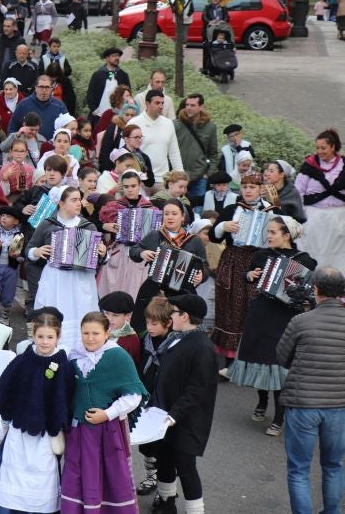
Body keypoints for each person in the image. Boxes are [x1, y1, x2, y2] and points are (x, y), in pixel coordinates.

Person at [0, 312, 73, 514]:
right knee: (14, 478)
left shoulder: (64, 366)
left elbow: (64, 400)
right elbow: (7, 391)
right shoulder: (22, 361)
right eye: (41, 336)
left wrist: (60, 425)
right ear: (33, 336)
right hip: (19, 433)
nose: (45, 341)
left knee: (42, 482)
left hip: (46, 437)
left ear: (58, 337)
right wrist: (6, 421)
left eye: (50, 337)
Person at [59, 312, 147, 514]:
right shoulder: (73, 357)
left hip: (107, 433)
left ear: (107, 333)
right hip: (78, 429)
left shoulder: (117, 357)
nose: (90, 338)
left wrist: (107, 414)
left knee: (103, 478)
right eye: (85, 333)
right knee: (74, 474)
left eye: (95, 333)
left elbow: (134, 395)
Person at [229, 217, 316, 436]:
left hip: (284, 315)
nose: (268, 235)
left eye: (273, 232)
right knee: (260, 360)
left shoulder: (305, 260)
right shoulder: (261, 255)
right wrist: (250, 274)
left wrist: (302, 294)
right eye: (268, 231)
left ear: (287, 235)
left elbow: (306, 289)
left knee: (278, 364)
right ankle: (261, 401)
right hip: (261, 312)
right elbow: (247, 276)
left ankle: (279, 417)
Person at [140, 294, 218, 514]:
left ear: (184, 316)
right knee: (165, 459)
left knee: (186, 468)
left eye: (173, 312)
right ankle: (166, 505)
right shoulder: (179, 340)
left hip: (186, 420)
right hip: (166, 417)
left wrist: (174, 414)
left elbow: (198, 389)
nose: (170, 316)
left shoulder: (202, 346)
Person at [276, 267, 345, 514]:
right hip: (339, 404)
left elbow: (282, 356)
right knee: (333, 465)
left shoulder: (301, 320)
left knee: (299, 468)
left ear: (314, 288)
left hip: (303, 402)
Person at [209, 171, 280, 362]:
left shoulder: (272, 211)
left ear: (261, 189)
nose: (248, 191)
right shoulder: (232, 209)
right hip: (233, 260)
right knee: (230, 308)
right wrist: (223, 227)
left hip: (261, 261)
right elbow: (213, 237)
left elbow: (283, 238)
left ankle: (255, 358)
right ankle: (230, 360)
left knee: (256, 307)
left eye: (253, 187)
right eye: (245, 186)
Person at [26, 186, 107, 353]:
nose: (79, 203)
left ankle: (83, 352)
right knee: (54, 310)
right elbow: (29, 248)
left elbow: (99, 258)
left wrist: (103, 253)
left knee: (82, 312)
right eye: (74, 200)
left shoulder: (88, 226)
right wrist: (37, 252)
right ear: (61, 203)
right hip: (56, 279)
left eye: (79, 199)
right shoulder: (48, 224)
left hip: (81, 279)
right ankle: (50, 349)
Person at [129, 199, 206, 332]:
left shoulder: (194, 241)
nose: (170, 217)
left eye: (174, 213)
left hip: (182, 294)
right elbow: (134, 251)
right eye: (166, 214)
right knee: (146, 327)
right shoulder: (155, 235)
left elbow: (204, 266)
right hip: (154, 289)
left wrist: (201, 275)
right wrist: (142, 253)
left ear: (182, 217)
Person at [135, 296, 174, 496]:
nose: (149, 327)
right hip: (146, 396)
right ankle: (151, 476)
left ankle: (165, 486)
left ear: (168, 323)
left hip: (164, 401)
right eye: (148, 322)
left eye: (155, 323)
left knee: (164, 445)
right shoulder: (145, 339)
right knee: (147, 443)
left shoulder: (174, 344)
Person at [97, 170, 156, 298]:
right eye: (126, 186)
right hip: (119, 253)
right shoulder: (113, 206)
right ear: (122, 187)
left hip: (140, 254)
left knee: (136, 293)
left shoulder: (150, 208)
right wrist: (104, 226)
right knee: (113, 291)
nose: (130, 189)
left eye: (133, 186)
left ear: (139, 185)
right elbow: (94, 224)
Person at [295, 129, 345, 274]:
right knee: (312, 252)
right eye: (317, 148)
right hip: (314, 217)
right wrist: (303, 214)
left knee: (339, 256)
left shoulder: (344, 164)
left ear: (333, 147)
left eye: (323, 148)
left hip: (339, 217)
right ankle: (310, 286)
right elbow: (298, 191)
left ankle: (337, 289)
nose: (319, 151)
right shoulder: (309, 165)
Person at [128, 90, 184, 193]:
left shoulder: (168, 124)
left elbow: (174, 152)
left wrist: (181, 176)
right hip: (139, 180)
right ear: (147, 104)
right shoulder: (134, 122)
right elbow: (125, 152)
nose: (161, 106)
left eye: (162, 103)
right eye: (157, 103)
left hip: (163, 180)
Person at [175, 93, 217, 209]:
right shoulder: (176, 125)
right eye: (187, 105)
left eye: (192, 105)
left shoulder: (210, 127)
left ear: (201, 107)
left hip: (199, 178)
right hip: (179, 176)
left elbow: (213, 154)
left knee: (198, 210)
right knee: (179, 209)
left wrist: (207, 174)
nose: (188, 107)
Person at [7, 74, 67, 140]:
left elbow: (68, 127)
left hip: (53, 147)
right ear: (35, 87)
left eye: (47, 87)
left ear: (51, 88)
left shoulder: (59, 106)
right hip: (28, 147)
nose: (44, 90)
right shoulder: (23, 104)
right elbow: (12, 128)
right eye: (41, 87)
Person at [85, 47, 131, 126]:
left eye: (118, 56)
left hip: (117, 114)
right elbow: (90, 93)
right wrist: (94, 109)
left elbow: (128, 94)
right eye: (113, 56)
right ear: (107, 58)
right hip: (99, 114)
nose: (116, 58)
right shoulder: (98, 75)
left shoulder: (123, 75)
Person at [99, 291, 141, 364]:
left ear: (127, 316)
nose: (109, 319)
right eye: (107, 313)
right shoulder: (99, 329)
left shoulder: (131, 339)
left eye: (115, 315)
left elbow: (131, 366)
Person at [200, 0, 229, 74]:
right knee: (207, 49)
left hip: (220, 31)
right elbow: (204, 17)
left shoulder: (223, 8)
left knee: (221, 48)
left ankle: (221, 66)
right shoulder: (207, 7)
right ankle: (205, 68)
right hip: (209, 31)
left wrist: (223, 21)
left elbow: (227, 17)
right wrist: (210, 22)